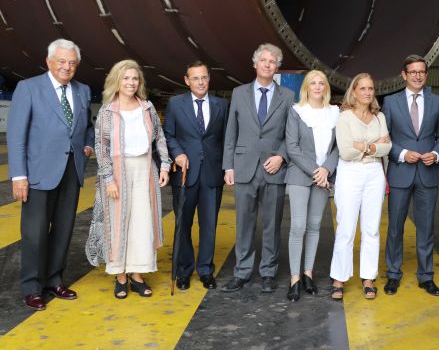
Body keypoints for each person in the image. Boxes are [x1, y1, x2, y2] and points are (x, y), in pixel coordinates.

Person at [7, 39, 94, 311]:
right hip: (37, 173)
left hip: (71, 171)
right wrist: (18, 176)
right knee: (35, 233)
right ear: (48, 62)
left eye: (72, 62)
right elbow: (16, 135)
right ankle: (32, 287)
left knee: (63, 229)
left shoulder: (83, 90)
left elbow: (87, 127)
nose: (67, 67)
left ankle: (54, 280)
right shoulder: (29, 88)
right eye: (61, 61)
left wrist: (88, 144)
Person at [85, 59, 171, 299]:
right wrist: (108, 179)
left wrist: (165, 165)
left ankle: (138, 274)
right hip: (117, 171)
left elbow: (159, 137)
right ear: (116, 81)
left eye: (135, 78)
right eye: (126, 78)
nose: (131, 82)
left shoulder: (147, 107)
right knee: (118, 223)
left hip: (145, 169)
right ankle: (120, 276)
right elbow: (101, 146)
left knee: (142, 222)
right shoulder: (107, 111)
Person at [221, 43, 294, 293]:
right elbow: (231, 132)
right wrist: (228, 166)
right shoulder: (239, 93)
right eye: (263, 60)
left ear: (277, 67)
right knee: (244, 223)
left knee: (272, 225)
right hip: (244, 167)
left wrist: (281, 157)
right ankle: (242, 272)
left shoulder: (287, 96)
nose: (267, 65)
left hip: (274, 168)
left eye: (272, 62)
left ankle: (268, 272)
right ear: (255, 64)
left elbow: (291, 134)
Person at [382, 55, 439, 296]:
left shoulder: (437, 101)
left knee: (426, 228)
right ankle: (393, 274)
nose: (418, 76)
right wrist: (402, 153)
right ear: (404, 75)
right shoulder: (391, 102)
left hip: (427, 174)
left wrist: (436, 153)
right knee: (395, 228)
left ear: (426, 75)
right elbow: (384, 138)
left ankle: (426, 276)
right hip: (400, 173)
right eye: (413, 72)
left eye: (421, 72)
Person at [163, 60, 229, 290]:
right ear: (187, 80)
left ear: (209, 79)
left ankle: (205, 270)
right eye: (195, 78)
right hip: (185, 172)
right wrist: (178, 154)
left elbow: (226, 139)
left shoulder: (222, 105)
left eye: (204, 77)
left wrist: (228, 167)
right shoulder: (175, 104)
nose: (200, 82)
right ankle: (184, 270)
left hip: (212, 173)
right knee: (183, 223)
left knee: (209, 225)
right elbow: (168, 135)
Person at [329, 73, 391, 300]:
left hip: (374, 173)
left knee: (371, 228)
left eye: (370, 88)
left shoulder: (379, 117)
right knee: (346, 227)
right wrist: (374, 146)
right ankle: (339, 277)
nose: (367, 92)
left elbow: (387, 147)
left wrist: (363, 146)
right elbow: (346, 152)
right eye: (362, 88)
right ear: (353, 92)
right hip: (350, 172)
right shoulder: (344, 117)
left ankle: (368, 277)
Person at [284, 70, 339, 301]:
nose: (317, 86)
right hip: (300, 174)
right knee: (298, 226)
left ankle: (308, 274)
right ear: (306, 87)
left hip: (324, 176)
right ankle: (295, 278)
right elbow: (292, 147)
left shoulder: (335, 113)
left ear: (326, 87)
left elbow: (338, 147)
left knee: (315, 225)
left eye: (321, 83)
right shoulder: (296, 111)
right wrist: (317, 171)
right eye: (313, 83)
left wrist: (326, 169)